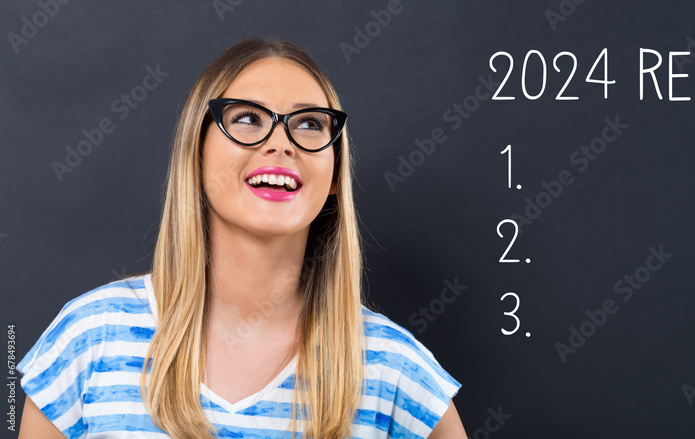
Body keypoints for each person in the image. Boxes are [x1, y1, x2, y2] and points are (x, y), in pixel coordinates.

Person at [16, 36, 466, 438]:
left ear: (334, 175)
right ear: (196, 153)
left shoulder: (392, 366)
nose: (281, 143)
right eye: (248, 118)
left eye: (310, 124)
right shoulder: (91, 337)